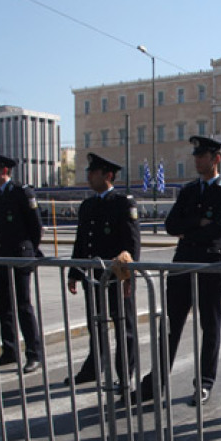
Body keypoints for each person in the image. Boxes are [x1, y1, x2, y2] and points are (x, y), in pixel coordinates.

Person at [135, 136, 221, 405]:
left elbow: (219, 229)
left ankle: (204, 382)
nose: (197, 160)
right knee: (170, 325)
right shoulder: (189, 190)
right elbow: (171, 225)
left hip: (211, 265)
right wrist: (199, 222)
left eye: (202, 156)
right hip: (182, 264)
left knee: (210, 326)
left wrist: (189, 228)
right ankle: (155, 383)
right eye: (196, 155)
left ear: (216, 159)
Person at [66, 152, 139, 389]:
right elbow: (81, 242)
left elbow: (132, 244)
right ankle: (94, 368)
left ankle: (125, 374)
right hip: (93, 276)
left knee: (123, 325)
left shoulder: (123, 203)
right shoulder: (88, 205)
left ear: (107, 175)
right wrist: (74, 273)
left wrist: (129, 277)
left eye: (93, 172)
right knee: (95, 323)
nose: (88, 176)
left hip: (117, 276)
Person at [0, 151, 44, 373]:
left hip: (19, 257)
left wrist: (30, 251)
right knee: (3, 306)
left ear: (4, 171)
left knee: (23, 306)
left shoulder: (22, 192)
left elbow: (35, 226)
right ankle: (9, 351)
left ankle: (34, 353)